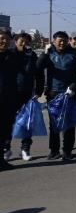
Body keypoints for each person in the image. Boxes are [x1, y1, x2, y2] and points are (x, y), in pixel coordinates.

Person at [36, 31, 76, 160]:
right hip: (53, 93)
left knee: (69, 124)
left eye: (64, 41)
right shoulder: (49, 54)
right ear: (54, 41)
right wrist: (44, 53)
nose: (62, 43)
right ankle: (54, 150)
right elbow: (38, 67)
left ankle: (67, 151)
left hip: (69, 93)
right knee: (54, 124)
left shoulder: (73, 55)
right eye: (59, 40)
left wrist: (73, 86)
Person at [8, 32, 43, 161]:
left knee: (28, 122)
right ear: (15, 41)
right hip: (10, 92)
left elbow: (38, 73)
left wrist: (39, 90)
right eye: (21, 41)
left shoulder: (32, 55)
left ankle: (25, 148)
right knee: (8, 122)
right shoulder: (9, 54)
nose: (24, 44)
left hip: (28, 93)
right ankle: (6, 148)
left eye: (27, 42)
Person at [0, 27, 19, 170]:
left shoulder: (12, 56)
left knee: (5, 131)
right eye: (1, 38)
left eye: (7, 39)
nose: (4, 41)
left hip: (8, 99)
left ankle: (1, 160)